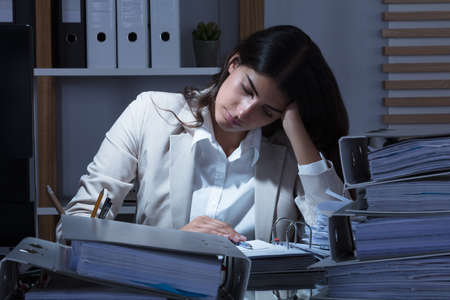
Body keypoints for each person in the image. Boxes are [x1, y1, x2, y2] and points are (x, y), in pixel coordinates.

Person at [56, 25, 349, 244]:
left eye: (268, 111)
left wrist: (297, 131)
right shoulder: (150, 113)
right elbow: (80, 223)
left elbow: (338, 235)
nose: (245, 113)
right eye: (247, 90)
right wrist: (173, 243)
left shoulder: (287, 150)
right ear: (233, 64)